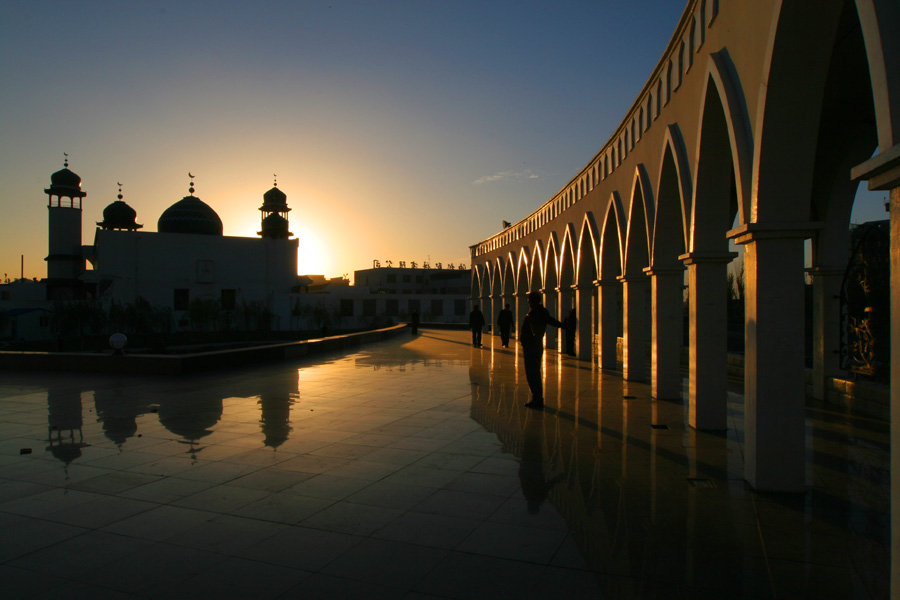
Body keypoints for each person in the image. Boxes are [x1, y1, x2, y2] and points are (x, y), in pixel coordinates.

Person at [520, 291, 562, 409]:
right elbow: (551, 321)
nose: (527, 301)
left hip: (531, 346)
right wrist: (563, 325)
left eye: (528, 299)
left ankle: (537, 399)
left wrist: (534, 335)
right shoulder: (542, 311)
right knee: (535, 372)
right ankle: (537, 398)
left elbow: (535, 328)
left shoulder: (534, 313)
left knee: (532, 373)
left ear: (531, 301)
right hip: (535, 345)